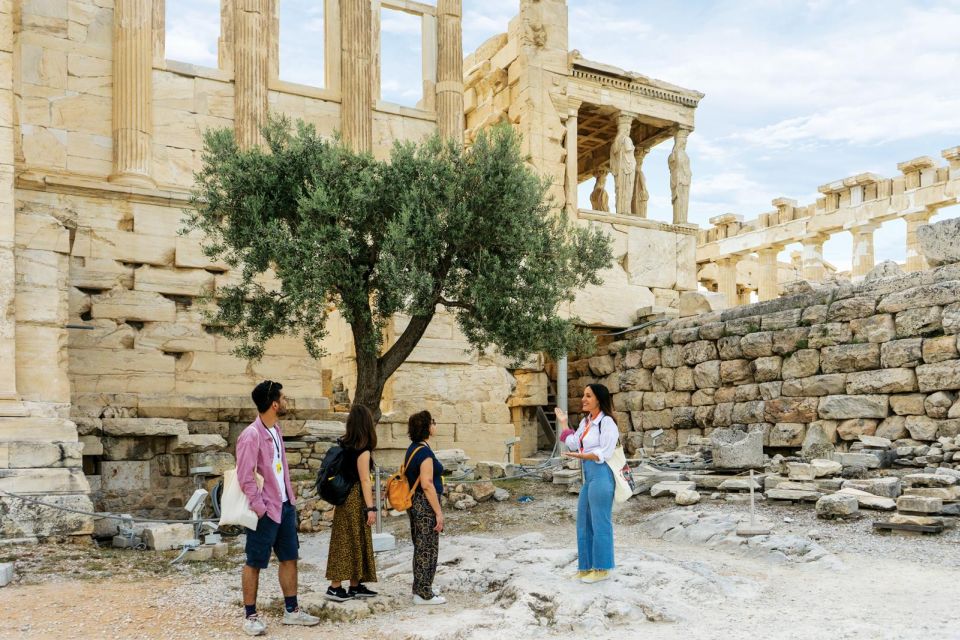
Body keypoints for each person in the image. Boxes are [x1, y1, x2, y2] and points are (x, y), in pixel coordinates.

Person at [235, 380, 319, 636]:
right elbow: (244, 475)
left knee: (289, 558)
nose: (285, 401)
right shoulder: (251, 435)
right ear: (274, 404)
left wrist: (290, 501)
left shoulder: (276, 430)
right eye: (283, 398)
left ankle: (292, 611)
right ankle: (250, 616)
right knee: (255, 561)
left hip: (285, 506)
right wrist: (259, 508)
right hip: (265, 510)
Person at [555, 383, 619, 584]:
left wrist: (582, 455)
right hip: (587, 475)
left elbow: (605, 452)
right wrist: (564, 423)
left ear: (599, 399)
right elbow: (573, 442)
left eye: (588, 396)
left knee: (600, 522)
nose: (584, 399)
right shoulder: (586, 422)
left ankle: (602, 568)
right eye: (583, 395)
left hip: (601, 474)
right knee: (583, 521)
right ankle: (585, 567)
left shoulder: (607, 422)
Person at [324, 404, 379, 602]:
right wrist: (371, 508)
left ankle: (355, 585)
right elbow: (365, 480)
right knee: (349, 541)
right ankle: (335, 586)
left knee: (351, 540)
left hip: (345, 499)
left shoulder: (346, 446)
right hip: (355, 499)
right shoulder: (362, 451)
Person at [404, 410, 446, 605]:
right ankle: (424, 593)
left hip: (415, 503)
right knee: (428, 547)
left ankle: (421, 587)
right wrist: (438, 512)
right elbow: (427, 483)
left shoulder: (414, 448)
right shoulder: (425, 453)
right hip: (425, 504)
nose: (435, 425)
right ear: (427, 427)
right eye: (433, 421)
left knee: (421, 545)